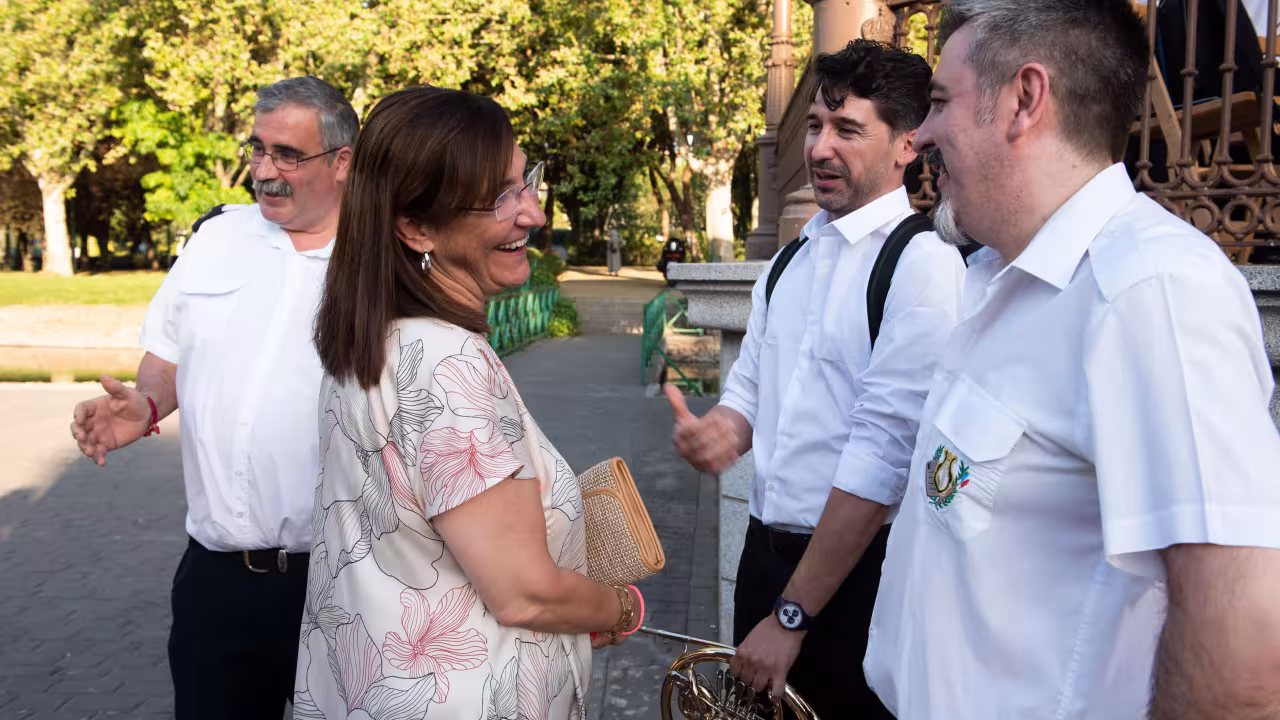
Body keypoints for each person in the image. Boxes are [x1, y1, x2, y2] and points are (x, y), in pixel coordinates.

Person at [863, 2, 1280, 718]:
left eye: (938, 103)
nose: (922, 134)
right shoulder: (999, 275)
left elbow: (1242, 654)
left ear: (1025, 100)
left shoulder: (1153, 293)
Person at [298, 85, 643, 720]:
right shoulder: (442, 359)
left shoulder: (374, 339)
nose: (533, 214)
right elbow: (525, 593)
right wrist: (620, 608)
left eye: (525, 181)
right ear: (416, 225)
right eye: (499, 196)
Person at [666, 40, 964, 719]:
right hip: (764, 559)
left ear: (907, 145)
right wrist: (722, 431)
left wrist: (792, 616)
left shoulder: (921, 266)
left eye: (847, 129)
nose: (820, 148)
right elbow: (750, 393)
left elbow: (881, 460)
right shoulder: (790, 263)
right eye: (814, 126)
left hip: (859, 580)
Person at [68, 76, 357, 720]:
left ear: (342, 162)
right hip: (217, 580)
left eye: (288, 154)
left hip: (346, 583)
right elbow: (168, 355)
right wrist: (142, 407)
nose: (265, 171)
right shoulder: (215, 239)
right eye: (258, 149)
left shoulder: (384, 260)